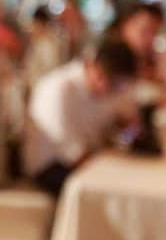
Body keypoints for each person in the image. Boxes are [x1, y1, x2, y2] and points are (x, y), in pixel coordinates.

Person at [23, 39, 138, 196]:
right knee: (118, 190)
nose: (104, 87)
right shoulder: (59, 88)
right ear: (89, 64)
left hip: (86, 163)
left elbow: (128, 126)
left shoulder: (112, 91)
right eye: (103, 78)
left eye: (115, 84)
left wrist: (126, 128)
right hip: (50, 168)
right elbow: (71, 152)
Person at [22, 8, 64, 88]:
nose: (31, 29)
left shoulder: (47, 45)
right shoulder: (39, 42)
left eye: (33, 24)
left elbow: (50, 72)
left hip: (43, 88)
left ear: (40, 24)